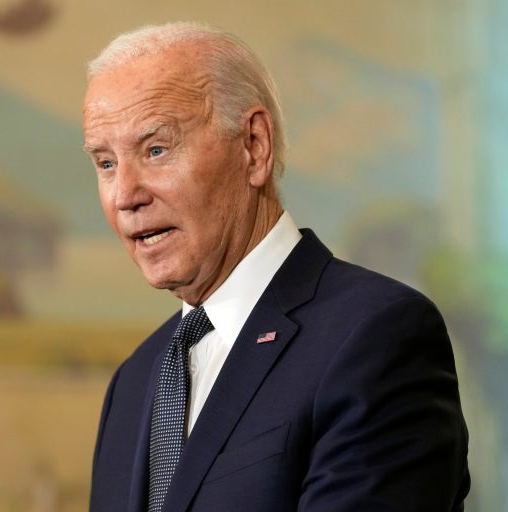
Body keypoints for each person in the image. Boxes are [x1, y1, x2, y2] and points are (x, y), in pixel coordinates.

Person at [82, 22, 470, 512]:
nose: (124, 195)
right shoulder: (134, 381)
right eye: (106, 164)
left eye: (156, 150)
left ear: (254, 146)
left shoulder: (376, 335)